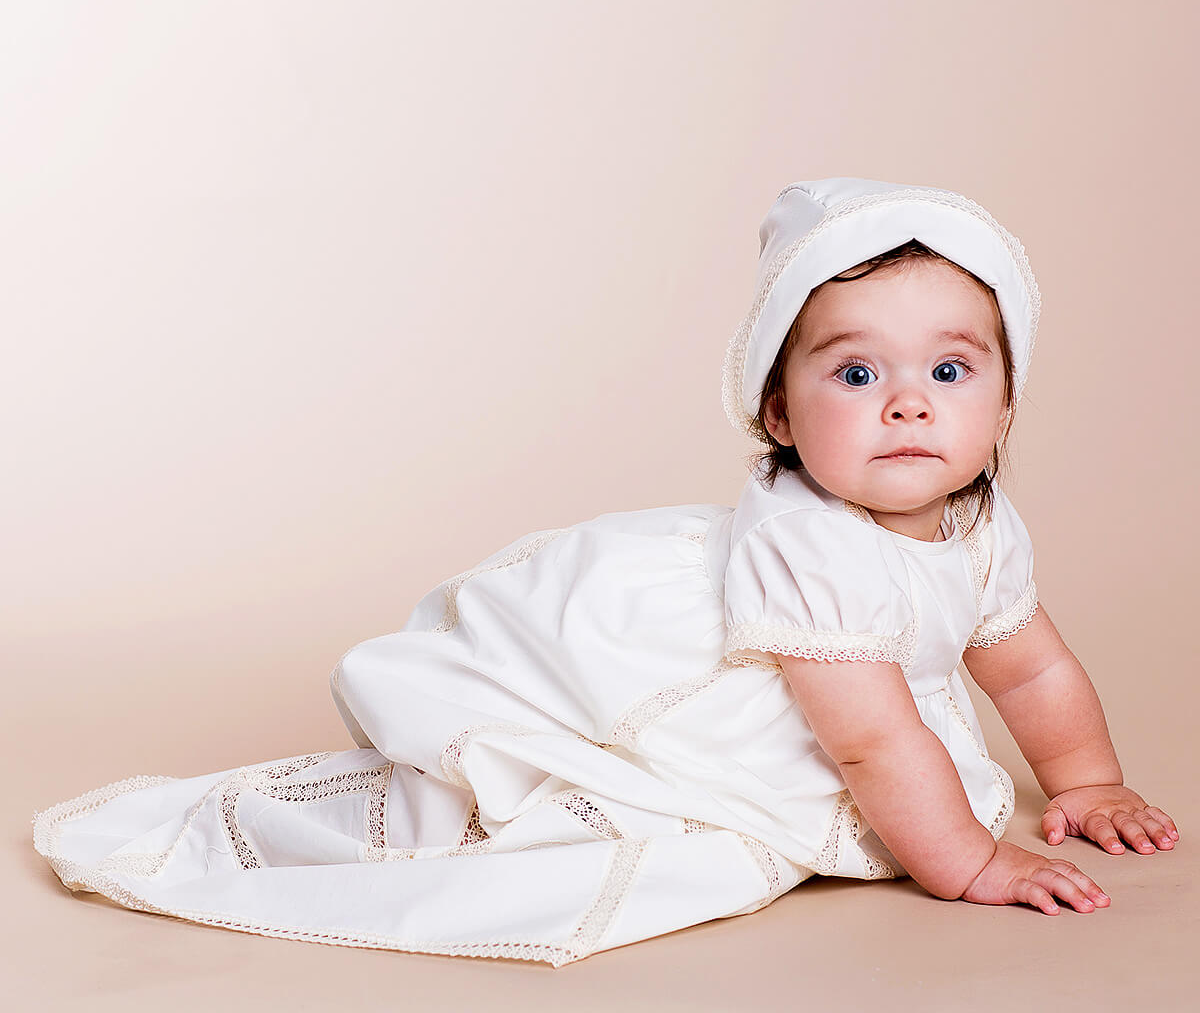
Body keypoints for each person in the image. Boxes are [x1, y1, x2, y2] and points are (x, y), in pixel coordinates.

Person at [33, 177, 1178, 965]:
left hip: (856, 693)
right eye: (854, 374)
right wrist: (971, 864)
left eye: (947, 367)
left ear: (1006, 401)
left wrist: (1084, 781)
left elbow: (1028, 667)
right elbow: (872, 739)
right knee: (603, 823)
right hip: (738, 680)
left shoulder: (982, 523)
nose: (907, 400)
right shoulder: (811, 544)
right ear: (777, 412)